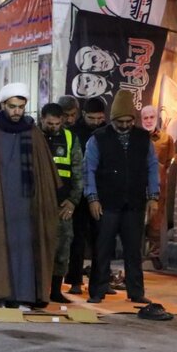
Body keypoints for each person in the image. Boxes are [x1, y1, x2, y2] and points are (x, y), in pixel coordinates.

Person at [0, 83, 59, 308]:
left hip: (27, 204)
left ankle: (24, 296)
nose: (16, 111)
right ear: (3, 105)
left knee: (24, 249)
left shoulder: (33, 132)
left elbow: (45, 173)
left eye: (20, 107)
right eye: (12, 106)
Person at [85, 92, 160, 304]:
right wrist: (92, 198)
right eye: (121, 122)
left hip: (134, 202)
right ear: (113, 119)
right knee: (103, 248)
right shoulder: (98, 138)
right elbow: (88, 170)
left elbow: (152, 167)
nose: (125, 125)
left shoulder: (143, 139)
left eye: (129, 121)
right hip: (106, 202)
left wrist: (153, 196)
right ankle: (97, 291)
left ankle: (136, 292)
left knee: (133, 249)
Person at [38, 103, 84, 304]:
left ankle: (55, 290)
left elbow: (78, 173)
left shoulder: (70, 138)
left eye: (57, 123)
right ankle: (36, 290)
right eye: (49, 123)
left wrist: (73, 201)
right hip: (37, 203)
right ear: (42, 119)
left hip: (62, 204)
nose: (53, 127)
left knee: (62, 247)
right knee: (37, 248)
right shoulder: (33, 137)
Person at [60, 94, 93, 294]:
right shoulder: (51, 131)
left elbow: (82, 167)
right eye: (66, 115)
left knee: (78, 239)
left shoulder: (82, 132)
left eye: (73, 115)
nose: (69, 119)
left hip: (77, 194)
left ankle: (75, 280)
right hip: (57, 194)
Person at [141, 105, 176, 268]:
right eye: (145, 118)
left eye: (151, 117)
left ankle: (154, 255)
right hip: (138, 185)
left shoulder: (166, 139)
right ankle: (138, 254)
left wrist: (159, 174)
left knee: (156, 220)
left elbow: (169, 161)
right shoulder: (137, 138)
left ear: (157, 118)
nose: (148, 121)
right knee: (138, 220)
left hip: (158, 185)